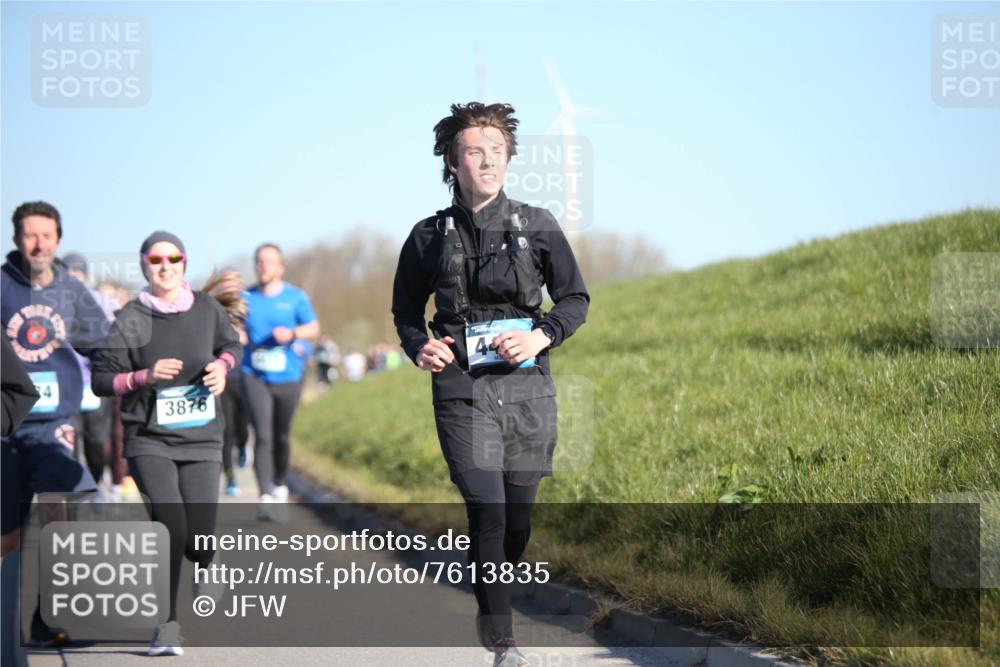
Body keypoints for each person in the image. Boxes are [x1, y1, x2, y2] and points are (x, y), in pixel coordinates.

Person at [391, 103, 589, 667]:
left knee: (518, 517)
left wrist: (541, 336)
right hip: (460, 387)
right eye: (475, 152)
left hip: (527, 388)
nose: (487, 161)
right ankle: (503, 643)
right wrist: (417, 345)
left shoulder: (538, 224)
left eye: (497, 151)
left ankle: (492, 591)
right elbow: (406, 310)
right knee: (488, 506)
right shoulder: (427, 235)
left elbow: (575, 299)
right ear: (453, 162)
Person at [92, 231, 242, 656]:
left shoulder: (208, 309)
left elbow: (231, 345)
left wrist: (222, 366)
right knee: (169, 529)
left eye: (173, 258)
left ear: (184, 263)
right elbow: (101, 379)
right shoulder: (130, 318)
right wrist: (143, 377)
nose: (165, 265)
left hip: (202, 440)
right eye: (155, 259)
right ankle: (167, 626)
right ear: (144, 265)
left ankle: (206, 564)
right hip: (148, 438)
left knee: (199, 537)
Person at [1, 201, 111, 651]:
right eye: (31, 235)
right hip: (6, 428)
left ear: (59, 241)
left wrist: (131, 381)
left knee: (55, 516)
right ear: (16, 240)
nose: (39, 244)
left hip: (55, 425)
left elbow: (105, 345)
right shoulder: (2, 286)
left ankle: (48, 619)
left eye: (47, 236)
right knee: (7, 536)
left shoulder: (71, 291)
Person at [241, 244, 319, 516]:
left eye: (270, 261)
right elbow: (234, 326)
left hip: (288, 375)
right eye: (259, 261)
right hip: (254, 374)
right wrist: (237, 335)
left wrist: (293, 333)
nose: (264, 266)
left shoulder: (295, 297)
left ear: (280, 267)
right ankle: (264, 496)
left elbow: (313, 327)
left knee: (281, 435)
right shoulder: (245, 297)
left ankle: (280, 484)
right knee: (262, 435)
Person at [62, 253, 117, 497]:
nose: (74, 279)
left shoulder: (99, 301)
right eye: (69, 274)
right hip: (65, 385)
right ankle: (75, 488)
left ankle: (97, 479)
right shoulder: (54, 300)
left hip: (93, 382)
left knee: (96, 440)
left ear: (85, 276)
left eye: (78, 274)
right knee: (69, 439)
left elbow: (113, 334)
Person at [203, 270, 250, 496]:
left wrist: (245, 337)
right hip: (223, 379)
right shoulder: (213, 309)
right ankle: (230, 478)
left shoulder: (249, 311)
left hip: (246, 376)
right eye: (226, 284)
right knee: (227, 430)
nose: (230, 288)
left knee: (243, 426)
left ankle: (243, 447)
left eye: (234, 284)